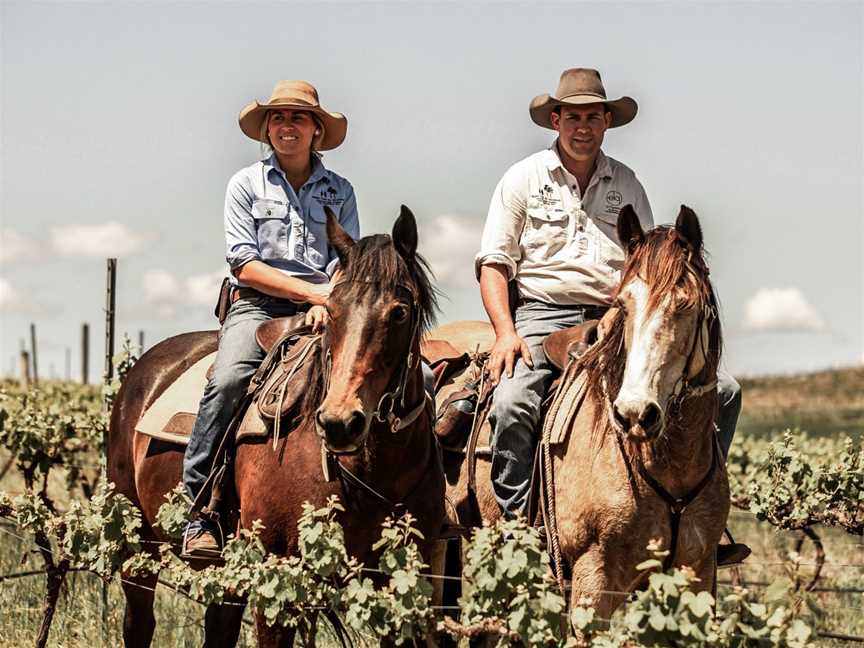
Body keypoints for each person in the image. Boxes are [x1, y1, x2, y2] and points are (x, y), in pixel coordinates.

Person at [475, 68, 744, 561]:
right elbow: (494, 263)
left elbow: (648, 264)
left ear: (606, 123)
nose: (583, 127)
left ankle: (705, 514)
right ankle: (514, 529)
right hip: (541, 314)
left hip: (615, 313)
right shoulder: (522, 179)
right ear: (555, 120)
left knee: (724, 392)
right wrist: (505, 333)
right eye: (573, 117)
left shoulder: (627, 183)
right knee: (513, 400)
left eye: (593, 117)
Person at [182, 80, 359, 556]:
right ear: (266, 130)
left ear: (316, 130)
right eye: (278, 118)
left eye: (298, 118)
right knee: (227, 381)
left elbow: (348, 261)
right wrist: (315, 295)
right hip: (257, 306)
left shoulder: (340, 191)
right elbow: (244, 264)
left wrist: (331, 301)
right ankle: (200, 511)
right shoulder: (245, 185)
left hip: (324, 306)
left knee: (385, 379)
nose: (288, 126)